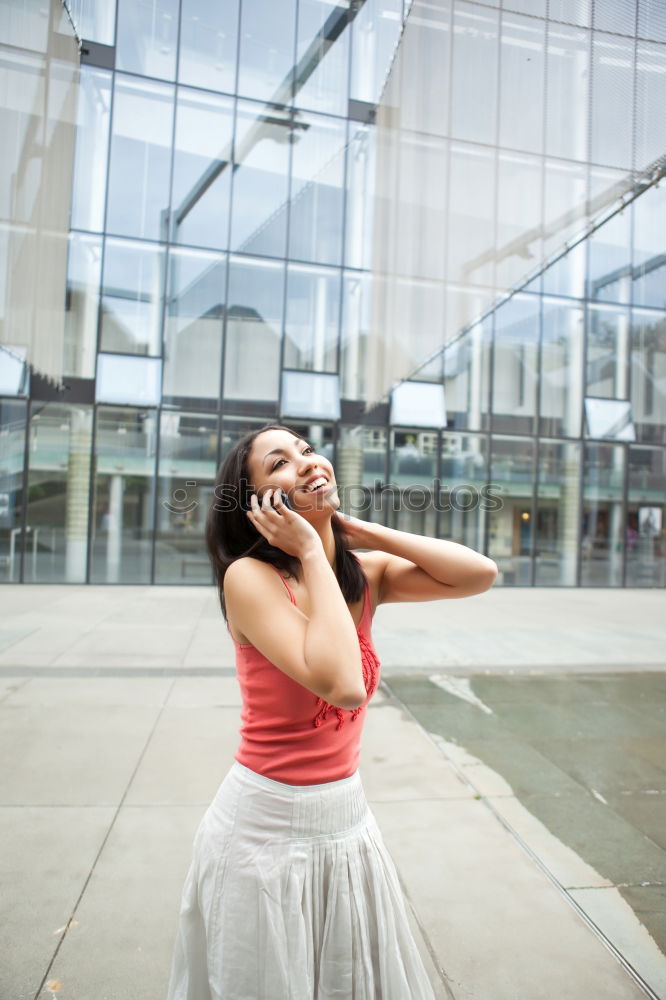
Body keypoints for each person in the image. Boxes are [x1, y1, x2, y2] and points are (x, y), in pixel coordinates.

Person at [166, 423, 498, 999]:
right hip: (264, 830)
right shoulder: (251, 578)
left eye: (307, 450)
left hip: (347, 819)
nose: (307, 461)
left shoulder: (363, 574)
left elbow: (478, 574)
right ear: (259, 504)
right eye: (281, 463)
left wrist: (352, 529)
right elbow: (344, 684)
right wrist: (310, 549)